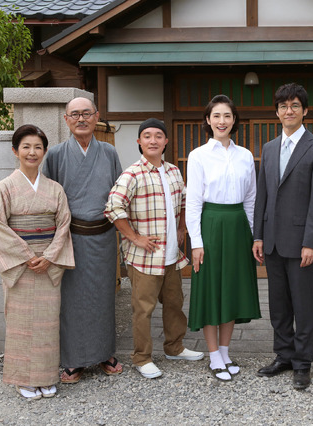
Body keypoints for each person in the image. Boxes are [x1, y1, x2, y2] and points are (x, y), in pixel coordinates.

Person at [105, 119, 204, 379]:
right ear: (139, 141)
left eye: (158, 135)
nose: (153, 140)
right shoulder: (132, 174)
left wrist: (181, 228)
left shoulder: (173, 171)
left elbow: (184, 201)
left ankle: (174, 347)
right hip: (144, 257)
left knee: (174, 304)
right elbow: (113, 208)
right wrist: (134, 237)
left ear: (166, 141)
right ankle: (142, 357)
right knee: (143, 310)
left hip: (171, 256)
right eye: (147, 136)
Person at [253, 83, 313, 390]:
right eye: (284, 106)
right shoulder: (269, 148)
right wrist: (258, 236)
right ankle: (283, 355)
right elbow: (262, 194)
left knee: (303, 305)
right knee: (278, 305)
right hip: (272, 240)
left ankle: (302, 363)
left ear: (305, 111)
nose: (289, 111)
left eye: (295, 105)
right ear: (277, 112)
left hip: (302, 244)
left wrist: (312, 241)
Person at [0, 124, 75, 400]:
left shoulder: (54, 189)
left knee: (48, 323)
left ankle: (46, 377)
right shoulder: (5, 187)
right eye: (26, 146)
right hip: (20, 264)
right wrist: (27, 255)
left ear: (45, 152)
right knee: (21, 322)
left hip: (48, 263)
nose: (32, 152)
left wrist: (49, 256)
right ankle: (23, 379)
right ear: (15, 151)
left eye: (38, 147)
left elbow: (63, 224)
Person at [42, 97, 123, 383]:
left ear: (96, 117)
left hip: (103, 237)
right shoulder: (55, 155)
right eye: (75, 114)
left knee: (103, 297)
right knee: (72, 300)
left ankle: (105, 354)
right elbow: (48, 199)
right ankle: (73, 360)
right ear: (66, 120)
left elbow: (118, 194)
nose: (81, 119)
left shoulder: (109, 152)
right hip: (71, 237)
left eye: (86, 113)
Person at [186, 95, 261, 382]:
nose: (222, 121)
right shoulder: (198, 155)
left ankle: (226, 352)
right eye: (216, 115)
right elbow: (193, 202)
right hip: (211, 224)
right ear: (208, 120)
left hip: (238, 225)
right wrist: (196, 242)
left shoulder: (245, 155)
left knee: (231, 288)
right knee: (211, 289)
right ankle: (213, 354)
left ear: (234, 120)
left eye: (227, 115)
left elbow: (251, 199)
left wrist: (254, 236)